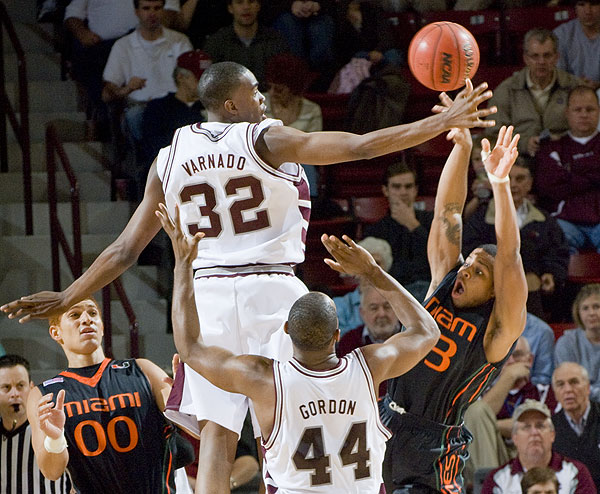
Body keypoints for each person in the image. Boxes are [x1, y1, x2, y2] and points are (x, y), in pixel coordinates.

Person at [1, 65, 496, 494]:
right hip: (271, 290)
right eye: (255, 91)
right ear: (233, 103)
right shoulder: (266, 137)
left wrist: (70, 293)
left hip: (208, 291)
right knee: (286, 416)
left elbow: (125, 249)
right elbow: (360, 146)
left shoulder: (168, 156)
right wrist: (440, 121)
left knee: (217, 435)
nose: (263, 98)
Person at [157, 200, 441, 493]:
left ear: (287, 331)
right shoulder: (368, 366)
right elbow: (427, 331)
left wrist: (183, 264)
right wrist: (372, 271)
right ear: (337, 335)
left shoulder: (265, 379)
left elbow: (190, 346)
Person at [381, 123, 528, 494]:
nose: (466, 269)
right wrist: (461, 146)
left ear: (496, 292)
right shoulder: (445, 284)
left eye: (479, 272)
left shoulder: (496, 332)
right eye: (469, 263)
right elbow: (447, 212)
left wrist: (500, 184)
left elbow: (509, 257)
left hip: (432, 445)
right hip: (383, 420)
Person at [25, 298, 193, 493]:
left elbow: (197, 429)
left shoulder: (142, 369)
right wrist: (55, 438)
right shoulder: (44, 394)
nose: (86, 319)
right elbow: (51, 472)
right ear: (56, 332)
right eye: (75, 314)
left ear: (102, 327)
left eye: (93, 313)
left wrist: (189, 396)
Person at [462, 156, 569, 318]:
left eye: (520, 179)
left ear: (530, 183)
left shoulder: (545, 220)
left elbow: (557, 253)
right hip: (489, 292)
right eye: (507, 178)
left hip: (533, 294)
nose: (513, 184)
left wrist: (551, 274)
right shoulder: (480, 218)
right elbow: (469, 253)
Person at [463, 337, 557, 483]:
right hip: (493, 457)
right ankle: (489, 486)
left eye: (518, 355)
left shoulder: (545, 392)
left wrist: (492, 426)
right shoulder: (481, 393)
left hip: (535, 457)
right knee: (474, 411)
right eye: (506, 356)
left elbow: (548, 427)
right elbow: (477, 417)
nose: (512, 361)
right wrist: (508, 377)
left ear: (530, 360)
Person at [101, 0, 193, 144]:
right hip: (141, 107)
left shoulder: (180, 41)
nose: (152, 13)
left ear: (163, 10)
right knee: (136, 115)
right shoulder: (123, 46)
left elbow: (193, 81)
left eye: (157, 8)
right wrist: (127, 89)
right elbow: (107, 94)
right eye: (146, 8)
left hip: (175, 106)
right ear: (136, 12)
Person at [485, 28, 581, 157]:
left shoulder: (574, 86)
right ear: (526, 58)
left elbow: (589, 127)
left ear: (556, 57)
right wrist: (523, 144)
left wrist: (563, 140)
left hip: (566, 155)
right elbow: (493, 133)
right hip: (519, 159)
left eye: (547, 55)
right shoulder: (506, 90)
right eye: (535, 56)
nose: (541, 62)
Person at [534, 85, 600, 253]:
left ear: (598, 112)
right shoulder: (552, 148)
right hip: (566, 221)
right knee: (554, 243)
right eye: (578, 110)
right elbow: (549, 188)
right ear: (567, 113)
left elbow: (563, 183)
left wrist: (571, 174)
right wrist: (594, 175)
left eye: (590, 109)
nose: (584, 114)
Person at [481, 399, 596, 494]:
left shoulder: (576, 473)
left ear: (552, 434)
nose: (534, 432)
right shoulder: (498, 479)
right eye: (526, 427)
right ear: (514, 437)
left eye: (540, 426)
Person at [0, 354, 71, 494]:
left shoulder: (53, 428)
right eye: (6, 387)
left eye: (20, 386)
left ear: (32, 388)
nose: (14, 394)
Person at [364, 162, 433, 303]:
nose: (403, 192)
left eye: (408, 186)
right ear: (385, 190)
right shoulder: (375, 231)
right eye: (396, 187)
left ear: (415, 190)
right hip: (394, 295)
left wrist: (413, 225)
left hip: (431, 289)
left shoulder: (431, 221)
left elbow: (439, 257)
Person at [140, 49, 211, 170]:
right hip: (170, 171)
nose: (207, 83)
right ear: (181, 77)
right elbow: (154, 147)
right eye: (200, 78)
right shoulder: (158, 108)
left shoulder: (215, 107)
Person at [264, 53, 323, 197]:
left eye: (278, 89)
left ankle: (310, 204)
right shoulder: (260, 104)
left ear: (293, 88)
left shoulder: (312, 110)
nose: (271, 93)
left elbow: (313, 148)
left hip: (300, 163)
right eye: (269, 87)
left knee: (304, 166)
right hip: (265, 161)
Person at [203, 0, 288, 90]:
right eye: (239, 2)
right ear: (230, 8)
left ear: (258, 6)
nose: (246, 7)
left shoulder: (275, 40)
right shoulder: (216, 42)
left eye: (251, 2)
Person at [337, 281, 401, 396]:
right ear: (362, 313)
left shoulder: (412, 339)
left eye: (387, 307)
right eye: (374, 308)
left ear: (397, 308)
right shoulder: (348, 342)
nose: (381, 314)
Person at [552, 362, 600, 491]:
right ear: (555, 393)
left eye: (574, 382)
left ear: (588, 388)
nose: (567, 389)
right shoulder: (550, 428)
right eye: (560, 384)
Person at [333, 236, 393, 335]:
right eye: (366, 263)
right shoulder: (339, 306)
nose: (371, 269)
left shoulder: (398, 301)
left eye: (377, 263)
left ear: (386, 268)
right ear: (356, 269)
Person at [554, 283, 600, 401]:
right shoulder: (566, 343)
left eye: (596, 306)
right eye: (585, 308)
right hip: (576, 404)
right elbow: (566, 385)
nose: (591, 313)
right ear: (578, 312)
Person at [554, 0, 600, 89]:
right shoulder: (561, 34)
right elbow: (556, 74)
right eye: (581, 4)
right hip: (569, 93)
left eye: (593, 4)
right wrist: (576, 83)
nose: (588, 11)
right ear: (575, 8)